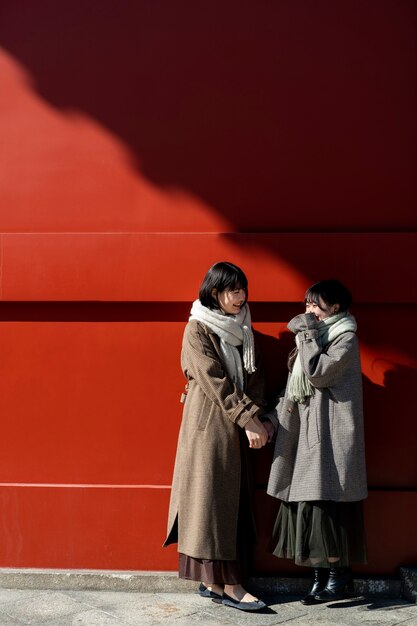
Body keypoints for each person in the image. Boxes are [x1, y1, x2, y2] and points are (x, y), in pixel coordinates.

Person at [164, 261, 273, 612]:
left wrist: (255, 416)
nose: (241, 297)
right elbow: (214, 381)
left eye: (243, 290)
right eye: (234, 290)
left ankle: (212, 582)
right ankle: (230, 585)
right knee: (210, 504)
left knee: (230, 505)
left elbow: (255, 375)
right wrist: (248, 421)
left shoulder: (244, 328)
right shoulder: (197, 329)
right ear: (215, 292)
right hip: (209, 425)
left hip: (237, 425)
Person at [267, 279, 367, 604]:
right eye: (307, 303)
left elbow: (318, 372)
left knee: (327, 506)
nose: (309, 310)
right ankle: (319, 576)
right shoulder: (316, 336)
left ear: (334, 307)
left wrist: (306, 333)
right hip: (306, 434)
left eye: (315, 304)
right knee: (308, 506)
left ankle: (338, 577)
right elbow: (294, 379)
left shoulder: (345, 339)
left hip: (331, 437)